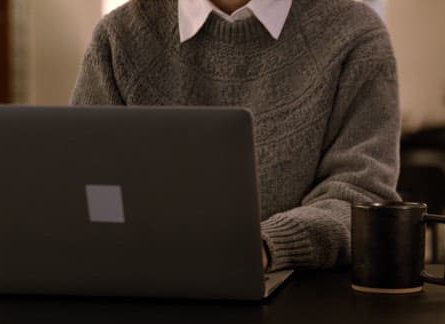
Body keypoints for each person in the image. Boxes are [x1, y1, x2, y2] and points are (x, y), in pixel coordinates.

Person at [71, 0, 401, 271]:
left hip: (302, 301)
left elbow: (361, 198)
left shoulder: (355, 34)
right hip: (142, 290)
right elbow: (87, 186)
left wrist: (264, 247)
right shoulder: (119, 35)